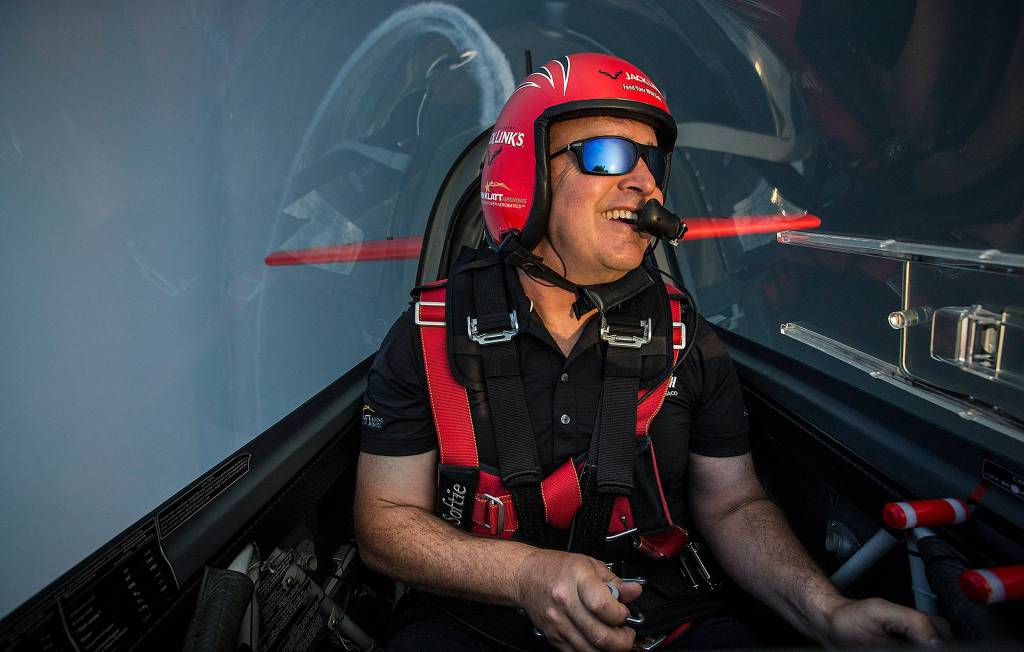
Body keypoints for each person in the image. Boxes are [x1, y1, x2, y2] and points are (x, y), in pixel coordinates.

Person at [354, 53, 946, 651]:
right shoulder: (430, 334)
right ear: (525, 174)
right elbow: (383, 523)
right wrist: (523, 576)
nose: (644, 181)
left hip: (662, 618)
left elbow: (734, 503)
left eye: (652, 160)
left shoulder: (688, 339)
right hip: (476, 619)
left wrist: (827, 612)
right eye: (607, 154)